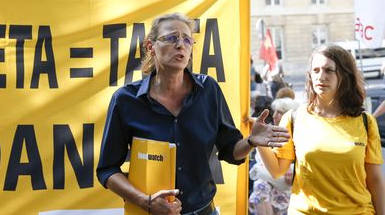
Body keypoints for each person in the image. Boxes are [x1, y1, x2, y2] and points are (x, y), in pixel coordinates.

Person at [96, 12, 289, 215]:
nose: (181, 45)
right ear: (150, 47)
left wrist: (251, 141)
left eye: (187, 40)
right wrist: (146, 202)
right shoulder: (126, 100)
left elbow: (231, 150)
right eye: (171, 38)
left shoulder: (208, 90)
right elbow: (108, 170)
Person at [257, 45, 385, 214]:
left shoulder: (365, 122)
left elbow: (375, 179)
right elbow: (277, 170)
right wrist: (258, 143)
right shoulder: (293, 118)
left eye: (329, 70)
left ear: (344, 76)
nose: (321, 76)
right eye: (315, 70)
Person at [249, 97, 299, 215]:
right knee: (260, 185)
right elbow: (261, 167)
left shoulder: (299, 134)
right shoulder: (267, 131)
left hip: (290, 186)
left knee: (260, 182)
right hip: (272, 183)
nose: (275, 115)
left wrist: (290, 169)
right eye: (275, 112)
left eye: (280, 113)